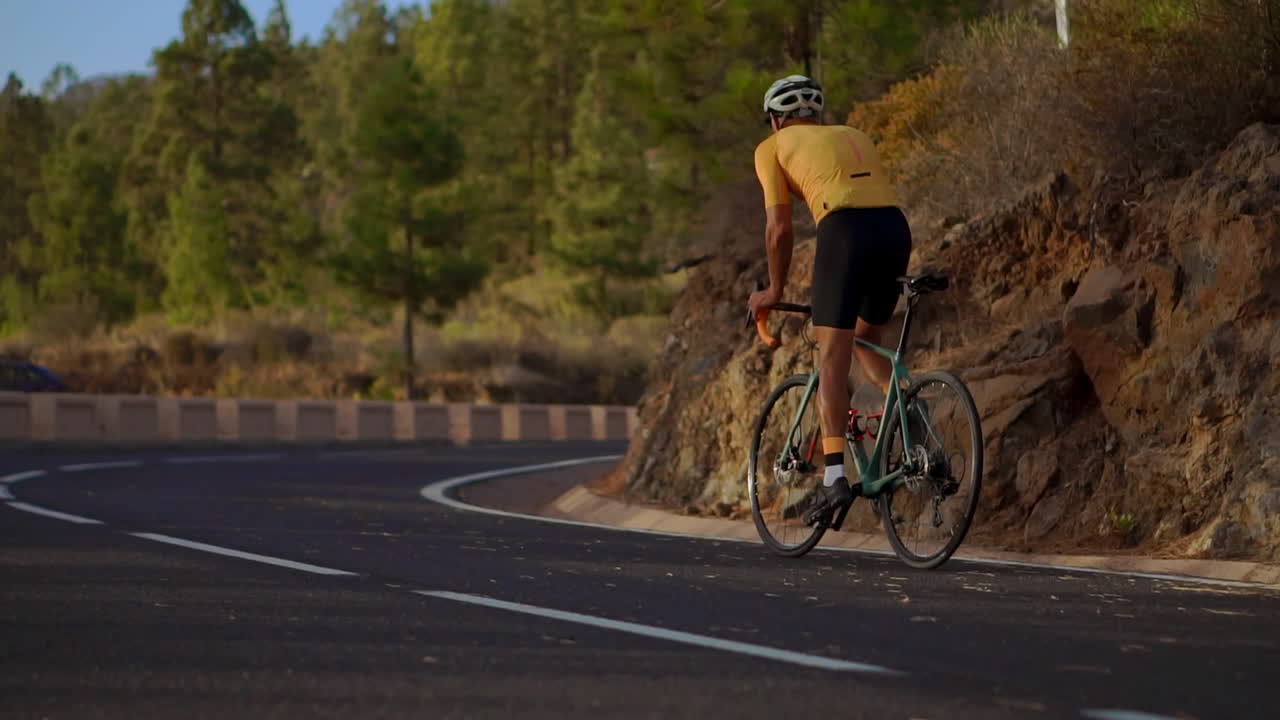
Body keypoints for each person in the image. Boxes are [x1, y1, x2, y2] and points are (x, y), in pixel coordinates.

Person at [746, 74, 913, 524]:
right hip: (895, 230)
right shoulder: (854, 134)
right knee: (864, 338)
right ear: (816, 114)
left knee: (832, 356)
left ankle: (834, 478)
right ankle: (910, 410)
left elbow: (779, 229)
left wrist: (774, 290)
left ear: (775, 119)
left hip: (844, 232)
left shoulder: (771, 147)